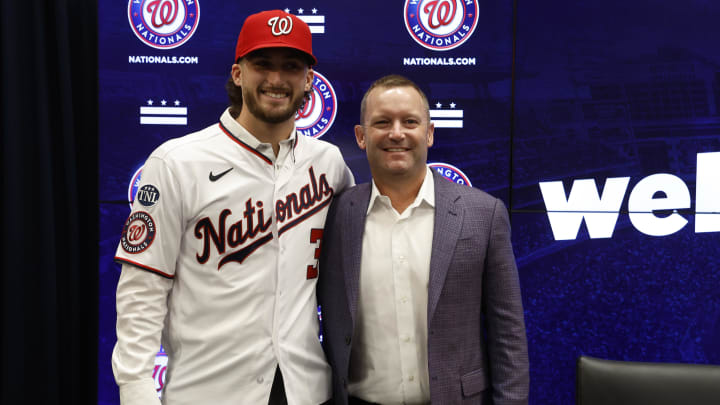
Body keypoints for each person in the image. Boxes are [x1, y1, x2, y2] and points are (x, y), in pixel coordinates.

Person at [112, 10, 354, 405]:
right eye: (262, 64)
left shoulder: (329, 164)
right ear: (238, 73)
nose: (276, 80)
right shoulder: (176, 162)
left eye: (291, 67)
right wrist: (137, 391)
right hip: (208, 391)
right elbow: (142, 290)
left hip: (306, 389)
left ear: (309, 80)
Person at [317, 75, 529, 404]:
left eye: (410, 122)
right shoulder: (333, 216)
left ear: (429, 133)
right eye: (382, 122)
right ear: (361, 136)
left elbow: (509, 335)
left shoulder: (484, 215)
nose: (397, 133)